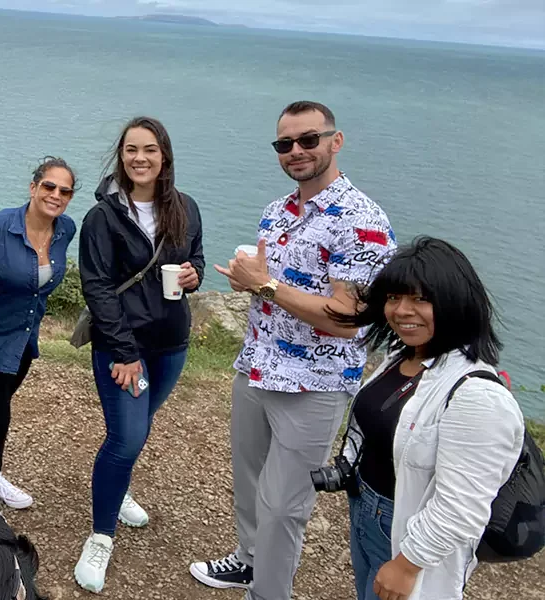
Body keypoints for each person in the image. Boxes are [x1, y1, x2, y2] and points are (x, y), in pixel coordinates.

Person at [190, 101, 396, 600]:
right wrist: (251, 283)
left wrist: (264, 287)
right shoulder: (277, 211)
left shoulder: (361, 220)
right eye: (285, 144)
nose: (296, 151)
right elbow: (276, 286)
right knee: (250, 483)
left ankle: (269, 593)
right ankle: (248, 562)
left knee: (284, 507)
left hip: (314, 386)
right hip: (258, 368)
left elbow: (349, 320)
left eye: (308, 140)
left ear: (335, 140)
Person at [328, 236, 524, 600]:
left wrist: (407, 564)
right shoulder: (406, 358)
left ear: (455, 302)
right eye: (394, 298)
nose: (402, 310)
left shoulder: (476, 396)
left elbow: (462, 505)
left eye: (421, 298)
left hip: (410, 533)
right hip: (369, 510)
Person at [73, 116, 205, 593]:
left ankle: (118, 488)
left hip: (171, 344)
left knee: (139, 426)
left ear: (164, 156)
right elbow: (97, 288)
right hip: (122, 349)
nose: (140, 158)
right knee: (126, 437)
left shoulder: (185, 208)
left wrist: (194, 275)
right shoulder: (103, 217)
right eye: (131, 150)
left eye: (149, 149)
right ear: (121, 157)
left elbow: (198, 259)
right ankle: (100, 536)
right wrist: (124, 352)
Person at [0, 156, 78, 509]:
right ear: (33, 187)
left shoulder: (66, 230)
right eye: (49, 186)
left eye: (65, 191)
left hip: (25, 342)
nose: (55, 195)